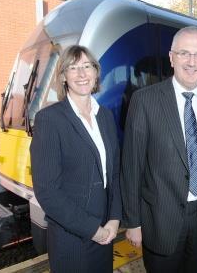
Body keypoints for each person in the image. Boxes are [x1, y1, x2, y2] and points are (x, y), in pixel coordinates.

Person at [121, 26, 197, 273]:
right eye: (184, 53)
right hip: (159, 218)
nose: (192, 61)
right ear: (171, 57)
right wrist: (132, 221)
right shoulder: (145, 100)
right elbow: (131, 167)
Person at [30, 45, 121, 272]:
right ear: (63, 77)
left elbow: (115, 173)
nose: (81, 74)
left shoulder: (106, 116)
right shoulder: (49, 120)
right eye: (73, 68)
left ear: (96, 72)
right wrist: (93, 229)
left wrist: (115, 218)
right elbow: (47, 191)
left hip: (105, 233)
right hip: (72, 240)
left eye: (87, 66)